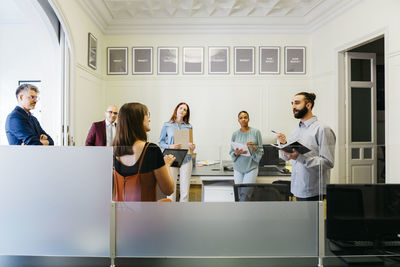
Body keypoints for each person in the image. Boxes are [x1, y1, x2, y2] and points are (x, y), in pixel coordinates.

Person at [276, 92, 336, 201]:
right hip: (297, 188)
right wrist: (283, 145)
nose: (293, 107)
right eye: (292, 103)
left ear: (308, 105)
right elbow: (286, 157)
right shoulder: (296, 131)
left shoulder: (323, 129)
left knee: (312, 219)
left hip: (314, 190)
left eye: (297, 103)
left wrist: (299, 158)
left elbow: (328, 162)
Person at [112, 102, 175, 201]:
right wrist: (166, 164)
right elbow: (168, 190)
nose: (149, 119)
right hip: (145, 214)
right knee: (168, 200)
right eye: (147, 115)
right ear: (137, 120)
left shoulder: (114, 151)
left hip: (120, 213)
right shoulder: (151, 150)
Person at [158, 102, 196, 202]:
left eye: (185, 110)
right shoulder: (167, 125)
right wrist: (170, 146)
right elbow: (160, 142)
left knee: (185, 189)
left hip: (186, 158)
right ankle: (171, 213)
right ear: (176, 109)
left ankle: (183, 214)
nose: (182, 111)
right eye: (181, 108)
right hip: (171, 157)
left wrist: (192, 146)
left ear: (186, 113)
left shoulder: (189, 126)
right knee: (171, 188)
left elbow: (191, 145)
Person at [229, 111, 263, 188]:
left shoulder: (256, 132)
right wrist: (236, 153)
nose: (243, 119)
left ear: (248, 119)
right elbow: (231, 152)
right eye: (241, 118)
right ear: (238, 120)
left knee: (246, 194)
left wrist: (254, 148)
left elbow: (261, 151)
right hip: (238, 168)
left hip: (251, 167)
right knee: (238, 192)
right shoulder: (235, 134)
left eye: (245, 117)